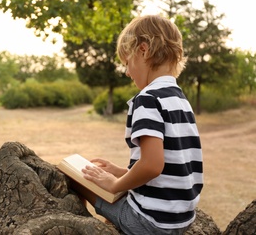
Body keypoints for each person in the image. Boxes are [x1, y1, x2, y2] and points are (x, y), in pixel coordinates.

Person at [72, 15, 203, 234]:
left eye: (127, 63)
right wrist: (123, 172)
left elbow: (152, 165)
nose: (127, 72)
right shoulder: (179, 99)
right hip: (179, 220)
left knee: (77, 178)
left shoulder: (147, 98)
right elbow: (169, 167)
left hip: (150, 222)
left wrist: (114, 184)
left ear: (143, 50)